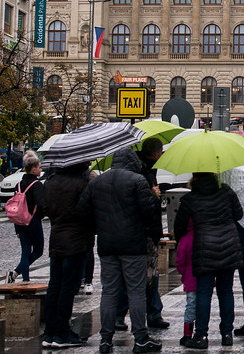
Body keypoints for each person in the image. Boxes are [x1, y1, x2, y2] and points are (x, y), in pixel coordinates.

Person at [75, 147, 161, 354]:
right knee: (136, 291)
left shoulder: (96, 183)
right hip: (133, 245)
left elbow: (81, 212)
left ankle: (105, 339)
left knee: (110, 292)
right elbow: (150, 213)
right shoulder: (138, 181)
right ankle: (140, 337)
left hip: (108, 245)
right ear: (132, 162)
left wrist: (99, 228)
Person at [173, 172, 243, 349]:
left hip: (204, 247)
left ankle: (201, 336)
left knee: (204, 293)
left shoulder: (190, 199)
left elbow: (179, 225)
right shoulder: (227, 191)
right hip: (228, 245)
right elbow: (239, 214)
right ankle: (227, 334)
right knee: (226, 292)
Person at [116, 139, 169, 332]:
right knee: (138, 276)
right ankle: (128, 317)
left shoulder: (145, 170)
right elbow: (141, 205)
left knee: (150, 275)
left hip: (138, 233)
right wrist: (152, 195)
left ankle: (152, 313)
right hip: (141, 232)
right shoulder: (140, 174)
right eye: (161, 151)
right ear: (155, 153)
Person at [41, 161, 94, 348]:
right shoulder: (82, 184)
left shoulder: (50, 182)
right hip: (76, 239)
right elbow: (86, 212)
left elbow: (44, 209)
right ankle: (62, 332)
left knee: (54, 286)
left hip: (56, 238)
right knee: (67, 288)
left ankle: (49, 332)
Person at [7, 150, 45, 284]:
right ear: (33, 169)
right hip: (33, 221)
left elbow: (16, 205)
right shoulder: (37, 185)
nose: (41, 170)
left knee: (25, 251)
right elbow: (41, 204)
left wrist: (16, 227)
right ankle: (17, 272)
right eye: (39, 167)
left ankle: (24, 278)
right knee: (38, 250)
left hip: (20, 222)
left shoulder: (19, 184)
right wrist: (40, 216)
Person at [175, 220, 198, 347]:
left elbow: (180, 261)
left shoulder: (184, 240)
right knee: (202, 306)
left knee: (190, 306)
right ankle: (200, 331)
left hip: (190, 280)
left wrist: (183, 273)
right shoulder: (203, 237)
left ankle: (187, 333)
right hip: (205, 280)